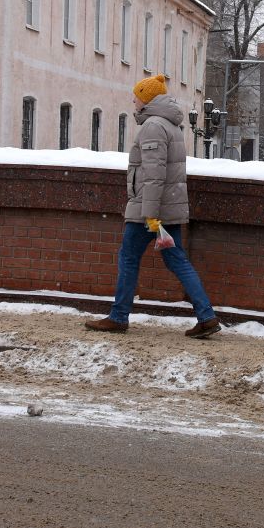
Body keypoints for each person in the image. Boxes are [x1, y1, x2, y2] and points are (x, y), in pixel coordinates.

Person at [86, 75, 221, 338]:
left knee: (128, 258)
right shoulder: (170, 126)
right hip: (167, 208)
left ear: (147, 98)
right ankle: (206, 316)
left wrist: (149, 215)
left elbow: (154, 173)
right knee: (177, 260)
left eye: (136, 95)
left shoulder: (153, 127)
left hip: (149, 212)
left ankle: (118, 316)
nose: (133, 100)